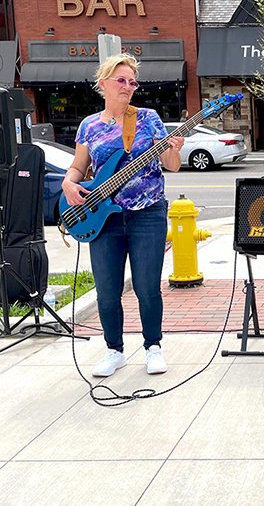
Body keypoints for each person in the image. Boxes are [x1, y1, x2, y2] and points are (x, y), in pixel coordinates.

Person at [61, 54, 184, 378]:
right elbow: (78, 167)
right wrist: (68, 183)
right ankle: (114, 351)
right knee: (107, 291)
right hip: (104, 218)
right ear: (103, 83)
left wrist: (174, 149)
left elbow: (171, 166)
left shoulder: (147, 118)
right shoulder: (89, 126)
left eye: (132, 82)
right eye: (121, 80)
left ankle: (153, 347)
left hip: (147, 214)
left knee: (147, 287)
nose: (128, 86)